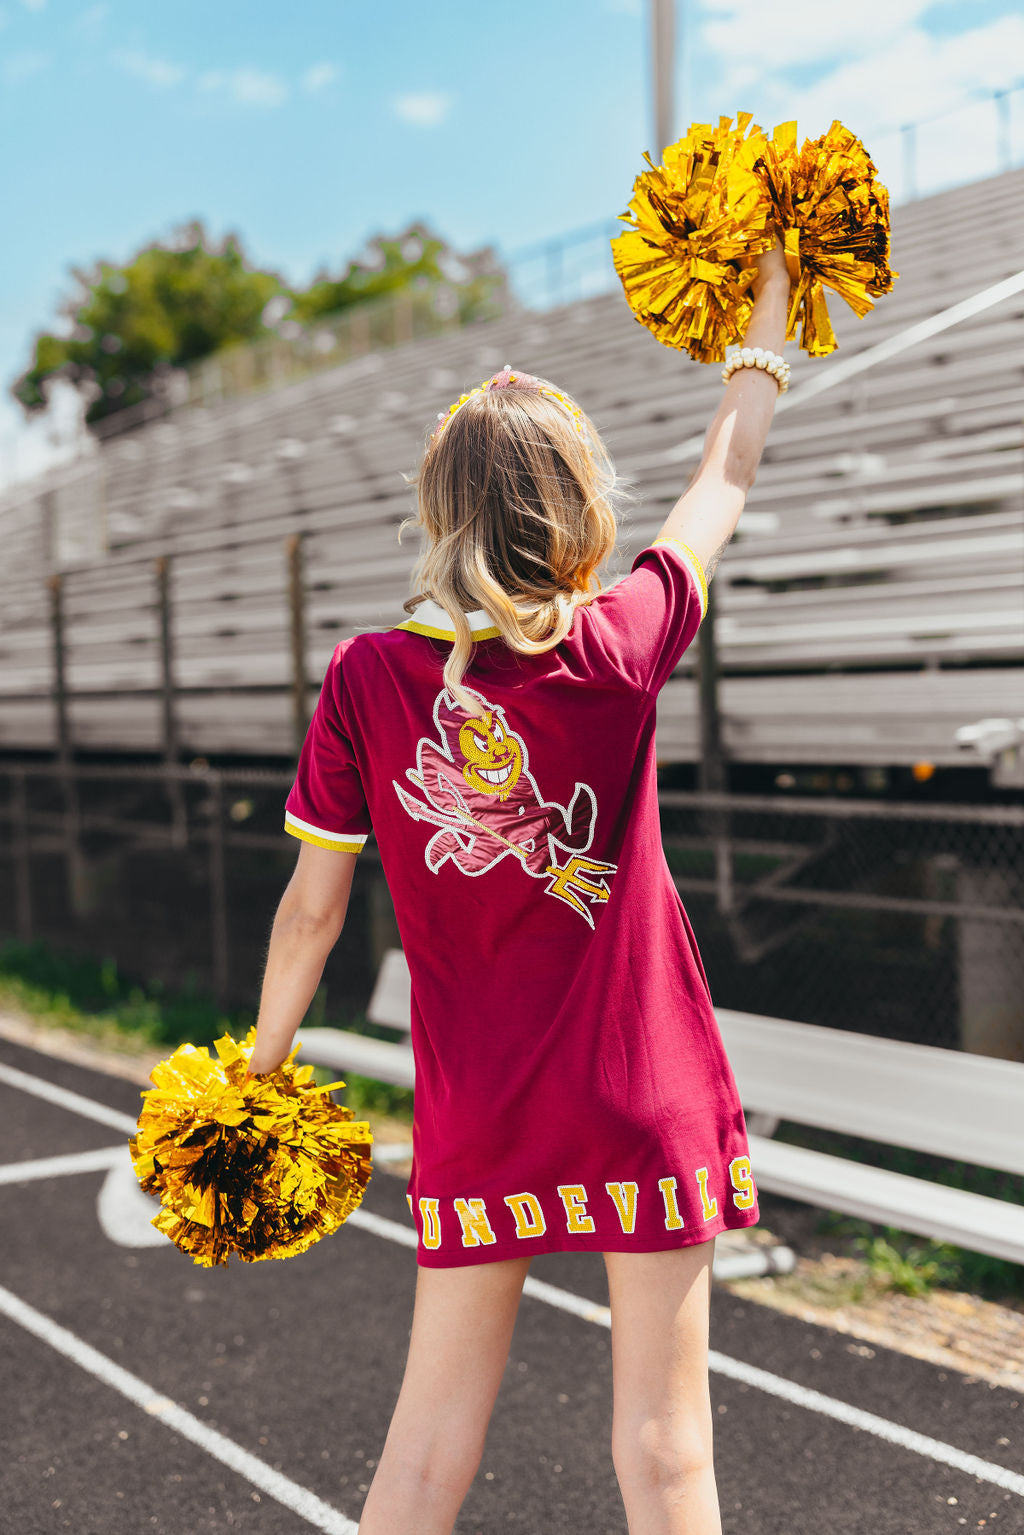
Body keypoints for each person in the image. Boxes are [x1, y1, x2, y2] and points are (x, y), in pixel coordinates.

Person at [246, 229, 792, 1535]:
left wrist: (259, 1068)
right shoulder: (621, 647)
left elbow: (314, 909)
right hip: (642, 1098)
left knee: (427, 1454)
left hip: (484, 1111)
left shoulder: (368, 679)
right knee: (667, 1456)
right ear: (582, 511)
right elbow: (726, 471)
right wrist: (772, 297)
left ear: (443, 515)